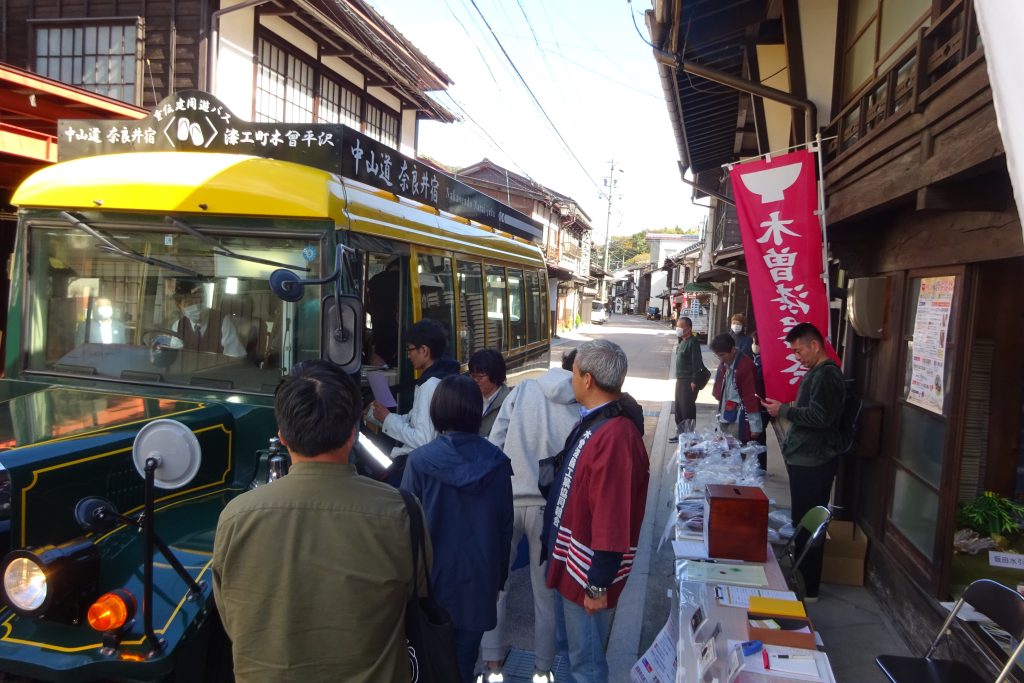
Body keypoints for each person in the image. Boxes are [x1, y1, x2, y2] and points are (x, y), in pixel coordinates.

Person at [212, 360, 424, 683]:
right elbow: (416, 597)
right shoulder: (402, 511)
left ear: (282, 436)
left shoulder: (236, 517)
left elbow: (232, 618)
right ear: (353, 433)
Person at [542, 340, 649, 683]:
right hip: (571, 557)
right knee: (571, 652)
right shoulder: (599, 418)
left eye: (573, 373)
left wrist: (597, 585)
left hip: (586, 571)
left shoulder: (616, 435)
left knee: (586, 664)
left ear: (587, 379)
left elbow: (612, 515)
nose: (571, 380)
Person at [401, 375, 514, 683]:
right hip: (478, 583)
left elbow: (405, 530)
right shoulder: (498, 463)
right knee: (463, 665)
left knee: (426, 666)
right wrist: (498, 581)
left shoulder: (420, 461)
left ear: (437, 411)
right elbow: (505, 530)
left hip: (430, 587)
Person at [479, 349, 581, 683]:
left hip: (507, 499)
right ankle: (542, 669)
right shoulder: (578, 404)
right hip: (546, 507)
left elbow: (495, 441)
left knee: (496, 584)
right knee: (544, 594)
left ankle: (492, 664)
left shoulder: (524, 391)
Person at [761, 323, 845, 602]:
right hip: (804, 458)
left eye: (799, 350)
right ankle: (802, 577)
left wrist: (785, 410)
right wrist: (789, 408)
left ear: (815, 345)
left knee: (809, 524)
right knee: (802, 521)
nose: (797, 356)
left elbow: (823, 418)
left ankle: (808, 587)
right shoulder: (817, 373)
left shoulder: (827, 375)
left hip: (814, 462)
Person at [372, 318, 460, 462]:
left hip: (419, 463)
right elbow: (414, 419)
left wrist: (387, 418)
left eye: (410, 349)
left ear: (424, 350)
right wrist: (378, 415)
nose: (408, 355)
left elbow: (422, 440)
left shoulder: (431, 385)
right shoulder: (442, 378)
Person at [709, 334, 764, 444]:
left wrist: (755, 426)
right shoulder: (725, 363)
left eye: (722, 355)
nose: (720, 358)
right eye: (717, 355)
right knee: (724, 452)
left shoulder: (746, 366)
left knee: (736, 455)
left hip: (739, 419)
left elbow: (751, 397)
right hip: (725, 413)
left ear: (733, 350)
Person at [170, 280, 246, 357]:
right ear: (179, 306)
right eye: (189, 304)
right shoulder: (178, 326)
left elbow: (235, 356)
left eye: (198, 301)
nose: (196, 307)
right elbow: (176, 357)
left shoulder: (222, 321)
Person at [671, 316, 702, 442]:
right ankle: (680, 434)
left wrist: (694, 380)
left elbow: (697, 362)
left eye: (680, 326)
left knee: (687, 409)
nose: (677, 328)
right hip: (680, 380)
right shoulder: (682, 341)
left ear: (688, 329)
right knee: (678, 408)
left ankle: (689, 436)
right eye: (677, 325)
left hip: (688, 381)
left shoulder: (693, 342)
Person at [468, 348, 511, 437]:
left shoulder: (509, 403)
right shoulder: (468, 398)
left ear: (495, 375)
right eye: (472, 376)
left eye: (480, 376)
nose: (475, 380)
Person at [367, 259, 401, 366]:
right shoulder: (405, 279)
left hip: (379, 328)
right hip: (398, 329)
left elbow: (366, 304)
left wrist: (376, 314)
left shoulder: (375, 280)